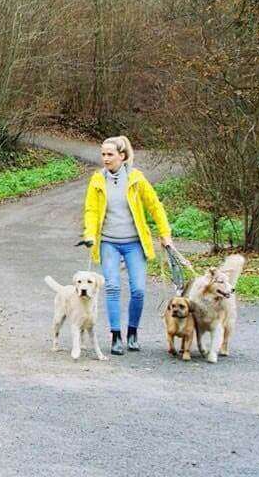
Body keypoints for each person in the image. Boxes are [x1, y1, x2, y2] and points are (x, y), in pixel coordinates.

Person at [81, 135, 173, 355]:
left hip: (134, 243)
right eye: (103, 154)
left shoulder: (136, 178)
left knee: (139, 290)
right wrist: (89, 234)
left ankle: (132, 333)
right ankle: (115, 336)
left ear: (122, 156)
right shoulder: (97, 180)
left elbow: (155, 206)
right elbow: (91, 211)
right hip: (108, 242)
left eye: (110, 154)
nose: (105, 159)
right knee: (112, 286)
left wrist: (165, 234)